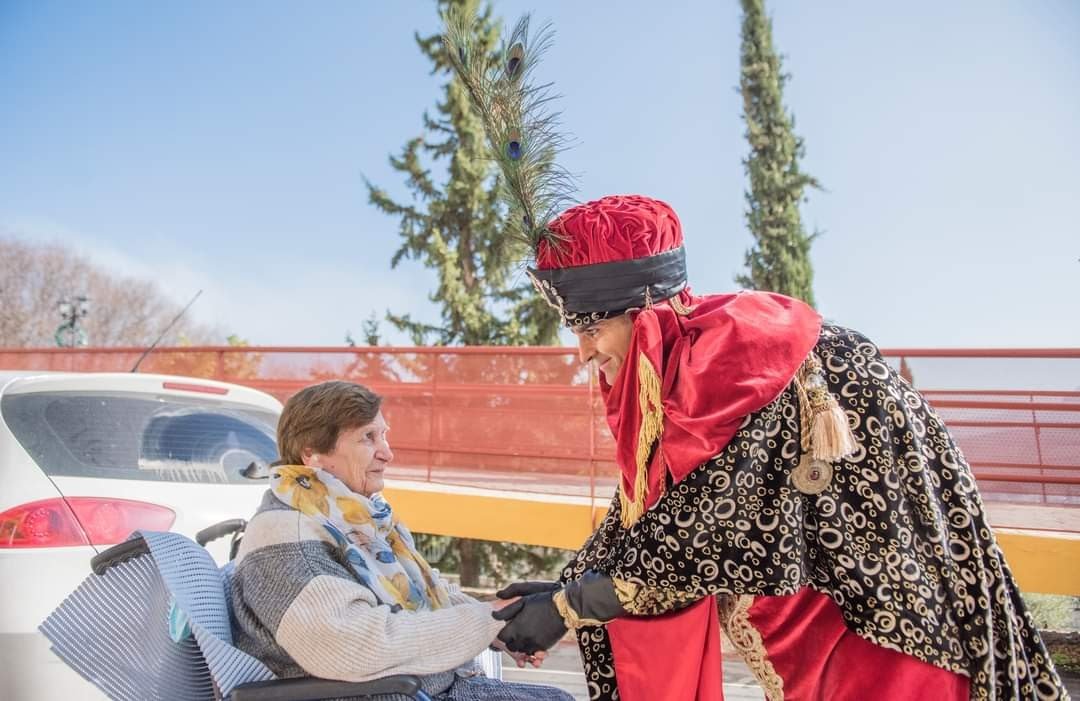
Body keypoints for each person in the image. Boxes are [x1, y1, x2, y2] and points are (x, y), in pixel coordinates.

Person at [489, 195, 1068, 700]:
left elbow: (701, 531)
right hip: (816, 644)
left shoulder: (741, 370)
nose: (584, 353)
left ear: (644, 317)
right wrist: (572, 583)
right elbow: (654, 513)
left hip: (878, 642)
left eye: (592, 329)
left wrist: (568, 607)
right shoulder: (680, 367)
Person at [229, 380, 572, 701]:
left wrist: (501, 626)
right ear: (313, 455)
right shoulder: (290, 539)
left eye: (384, 436)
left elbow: (431, 594)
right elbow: (357, 646)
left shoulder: (354, 518)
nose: (387, 453)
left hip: (427, 686)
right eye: (368, 438)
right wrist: (487, 620)